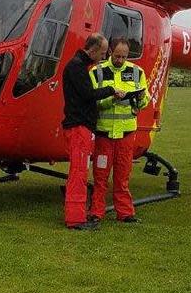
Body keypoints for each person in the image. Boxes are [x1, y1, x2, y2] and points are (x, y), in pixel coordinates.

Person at [61, 32, 123, 230]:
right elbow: (88, 94)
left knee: (79, 172)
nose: (104, 57)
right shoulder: (77, 67)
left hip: (81, 127)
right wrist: (111, 90)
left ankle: (77, 216)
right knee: (78, 173)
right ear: (94, 50)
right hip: (79, 127)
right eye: (103, 53)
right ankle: (75, 219)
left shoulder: (80, 65)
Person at [89, 38, 150, 224]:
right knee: (100, 177)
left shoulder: (136, 72)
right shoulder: (96, 72)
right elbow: (92, 101)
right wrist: (111, 99)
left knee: (123, 176)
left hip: (126, 134)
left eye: (124, 57)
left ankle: (125, 213)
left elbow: (145, 99)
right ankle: (96, 213)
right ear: (110, 53)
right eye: (117, 56)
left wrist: (139, 99)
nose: (121, 60)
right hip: (104, 133)